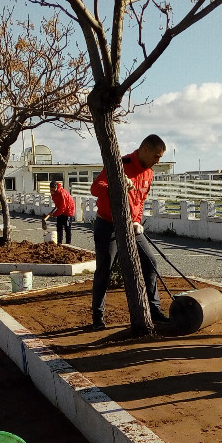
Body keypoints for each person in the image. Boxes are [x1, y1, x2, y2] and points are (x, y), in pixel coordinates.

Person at [88, 134, 168, 330]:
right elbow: (95, 188)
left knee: (150, 262)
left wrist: (137, 221)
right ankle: (97, 315)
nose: (158, 161)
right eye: (156, 156)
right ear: (145, 150)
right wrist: (114, 187)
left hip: (131, 226)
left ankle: (154, 309)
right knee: (104, 269)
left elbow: (141, 201)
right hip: (108, 224)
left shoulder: (149, 173)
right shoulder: (120, 165)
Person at [43, 179, 75, 244]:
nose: (51, 191)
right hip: (60, 209)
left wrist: (54, 214)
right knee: (59, 227)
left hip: (68, 210)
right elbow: (58, 204)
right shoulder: (53, 193)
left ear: (56, 187)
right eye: (50, 190)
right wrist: (54, 211)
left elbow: (63, 207)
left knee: (67, 228)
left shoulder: (62, 193)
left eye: (53, 190)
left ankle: (68, 244)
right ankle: (59, 242)